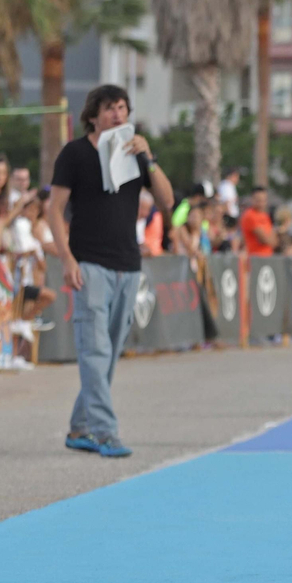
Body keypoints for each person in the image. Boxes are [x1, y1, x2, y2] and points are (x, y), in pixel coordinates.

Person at [46, 85, 174, 459]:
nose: (117, 115)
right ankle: (105, 432)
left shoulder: (135, 153)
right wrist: (67, 259)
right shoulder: (75, 153)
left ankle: (80, 427)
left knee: (110, 352)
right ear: (92, 115)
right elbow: (54, 209)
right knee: (94, 350)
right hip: (89, 263)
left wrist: (149, 157)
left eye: (122, 108)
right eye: (109, 109)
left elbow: (167, 200)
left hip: (128, 265)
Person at [240, 187, 277, 257]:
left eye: (263, 200)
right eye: (258, 200)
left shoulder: (265, 215)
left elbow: (274, 241)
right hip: (255, 258)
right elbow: (264, 239)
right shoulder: (249, 215)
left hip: (268, 256)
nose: (261, 203)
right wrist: (270, 239)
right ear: (252, 199)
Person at [136, 190, 165, 256]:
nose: (145, 213)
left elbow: (140, 241)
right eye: (143, 208)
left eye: (148, 209)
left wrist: (148, 250)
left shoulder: (142, 221)